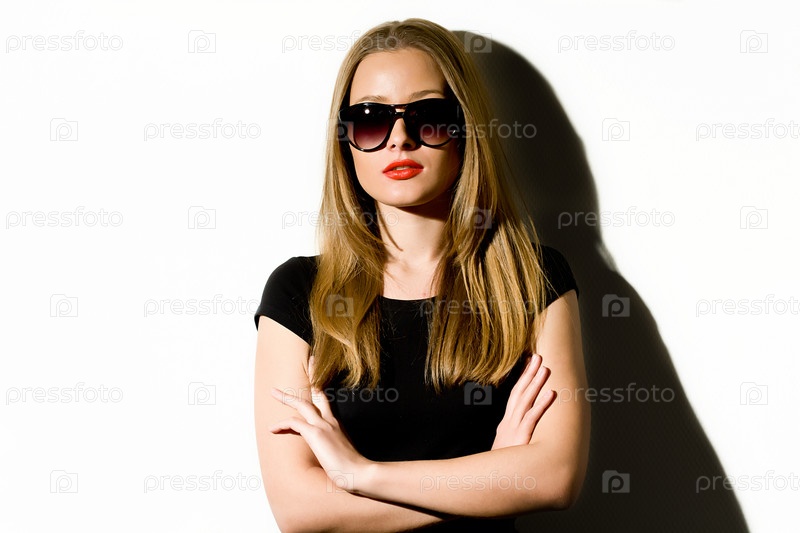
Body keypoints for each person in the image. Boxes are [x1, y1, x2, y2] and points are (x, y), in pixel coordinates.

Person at [253, 18, 590, 532]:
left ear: (464, 130)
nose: (400, 139)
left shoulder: (532, 278)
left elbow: (554, 478)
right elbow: (300, 510)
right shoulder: (299, 292)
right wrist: (489, 477)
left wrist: (358, 474)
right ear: (345, 141)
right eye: (370, 119)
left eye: (428, 116)